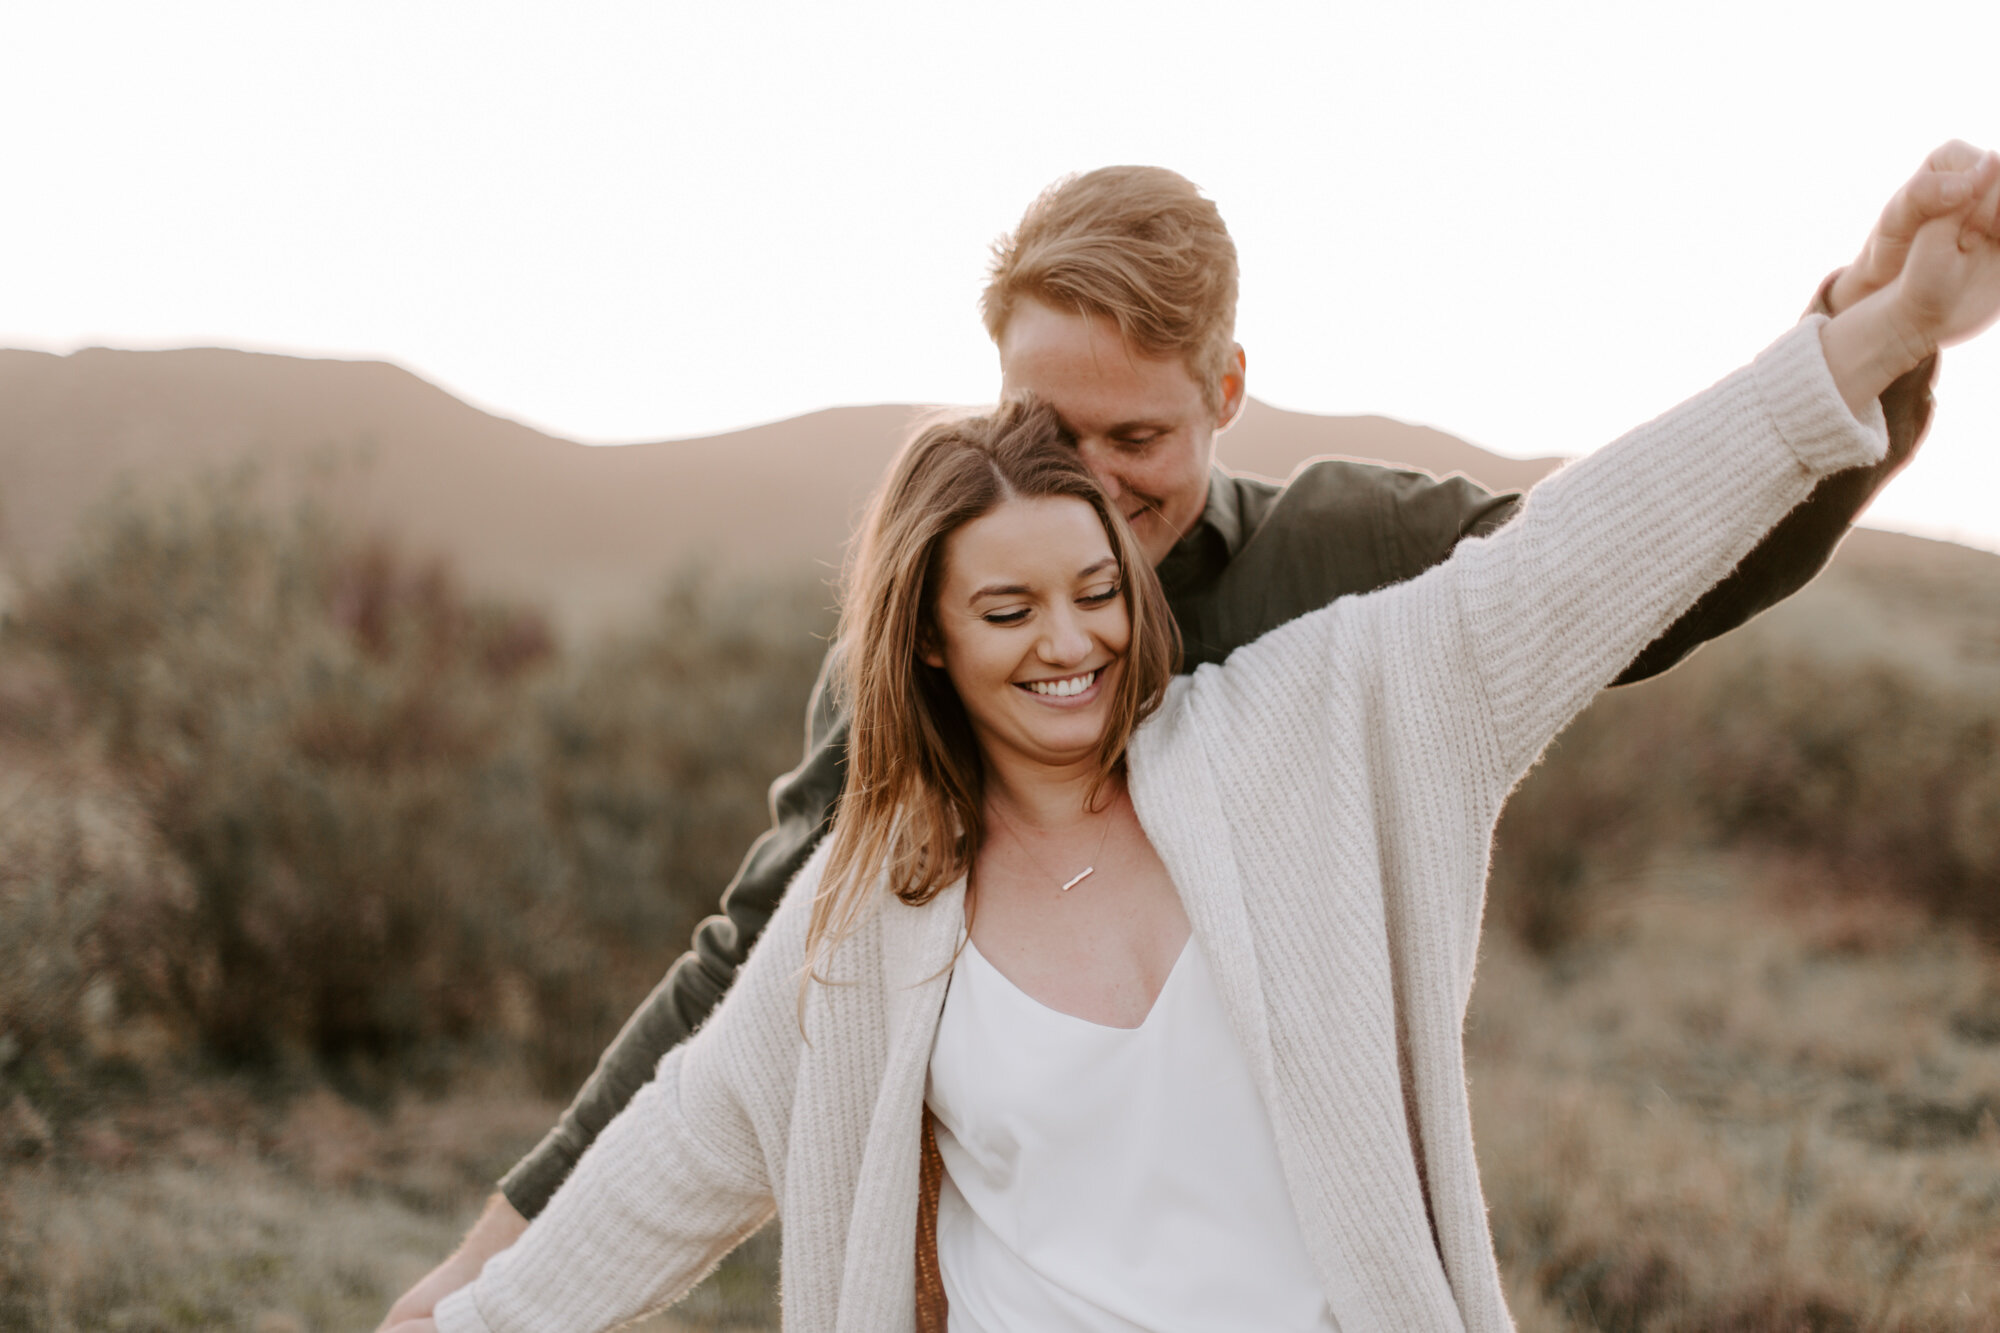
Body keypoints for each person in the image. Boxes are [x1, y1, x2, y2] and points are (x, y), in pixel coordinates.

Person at [380, 144, 1992, 1328]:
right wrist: (485, 1268)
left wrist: (1874, 330)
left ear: (1225, 389)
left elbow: (1614, 563)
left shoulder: (1345, 644)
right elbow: (725, 1052)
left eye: (1128, 454)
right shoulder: (880, 881)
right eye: (1007, 599)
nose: (1072, 612)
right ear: (926, 636)